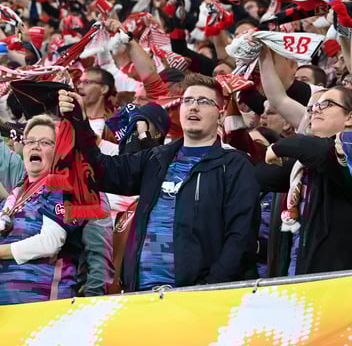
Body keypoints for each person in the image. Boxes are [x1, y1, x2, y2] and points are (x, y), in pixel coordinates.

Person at [63, 75, 260, 290]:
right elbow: (101, 172)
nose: (194, 107)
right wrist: (79, 123)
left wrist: (208, 288)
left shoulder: (234, 165)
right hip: (141, 296)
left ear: (220, 113)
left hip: (197, 299)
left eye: (204, 102)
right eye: (188, 100)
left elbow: (241, 238)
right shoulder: (156, 158)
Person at [256, 86, 352, 275]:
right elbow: (263, 177)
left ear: (350, 117)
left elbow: (323, 154)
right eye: (313, 107)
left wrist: (281, 145)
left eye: (327, 104)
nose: (316, 110)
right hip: (309, 272)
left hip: (351, 277)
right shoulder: (306, 160)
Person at [0, 114, 86, 305]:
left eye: (45, 142)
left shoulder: (64, 188)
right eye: (30, 141)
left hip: (43, 303)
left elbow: (50, 242)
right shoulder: (13, 197)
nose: (35, 146)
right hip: (1, 302)